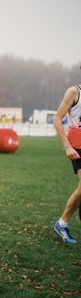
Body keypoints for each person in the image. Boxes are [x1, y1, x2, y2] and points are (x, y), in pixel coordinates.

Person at [53, 82, 81, 244]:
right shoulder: (74, 92)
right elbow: (57, 119)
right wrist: (67, 147)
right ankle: (62, 223)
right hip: (78, 144)